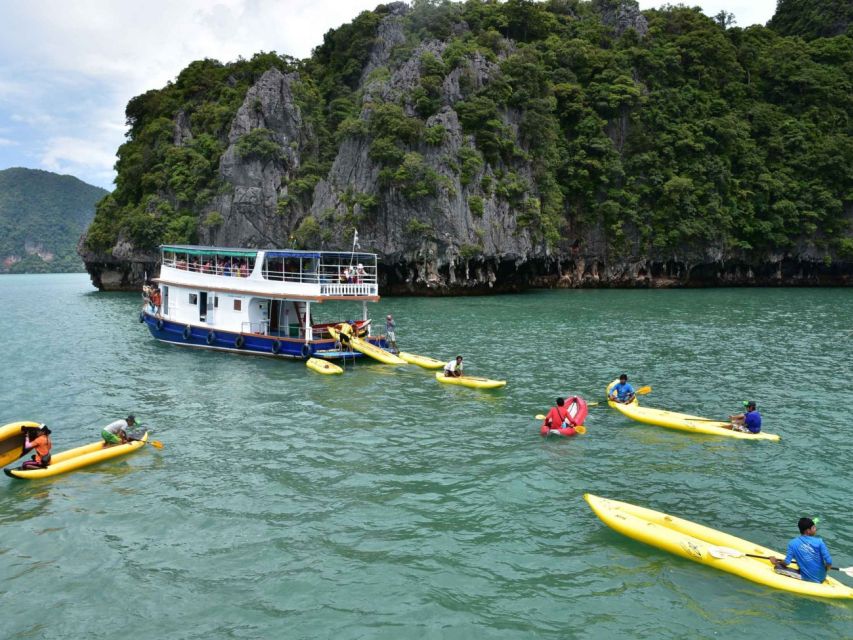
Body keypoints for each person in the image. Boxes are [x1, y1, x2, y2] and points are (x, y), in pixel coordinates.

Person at [770, 517, 833, 583]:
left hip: (808, 579)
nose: (815, 529)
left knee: (777, 567)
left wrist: (776, 562)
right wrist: (825, 569)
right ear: (808, 531)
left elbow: (787, 562)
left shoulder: (792, 543)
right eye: (814, 527)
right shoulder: (820, 542)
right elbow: (829, 562)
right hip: (822, 577)